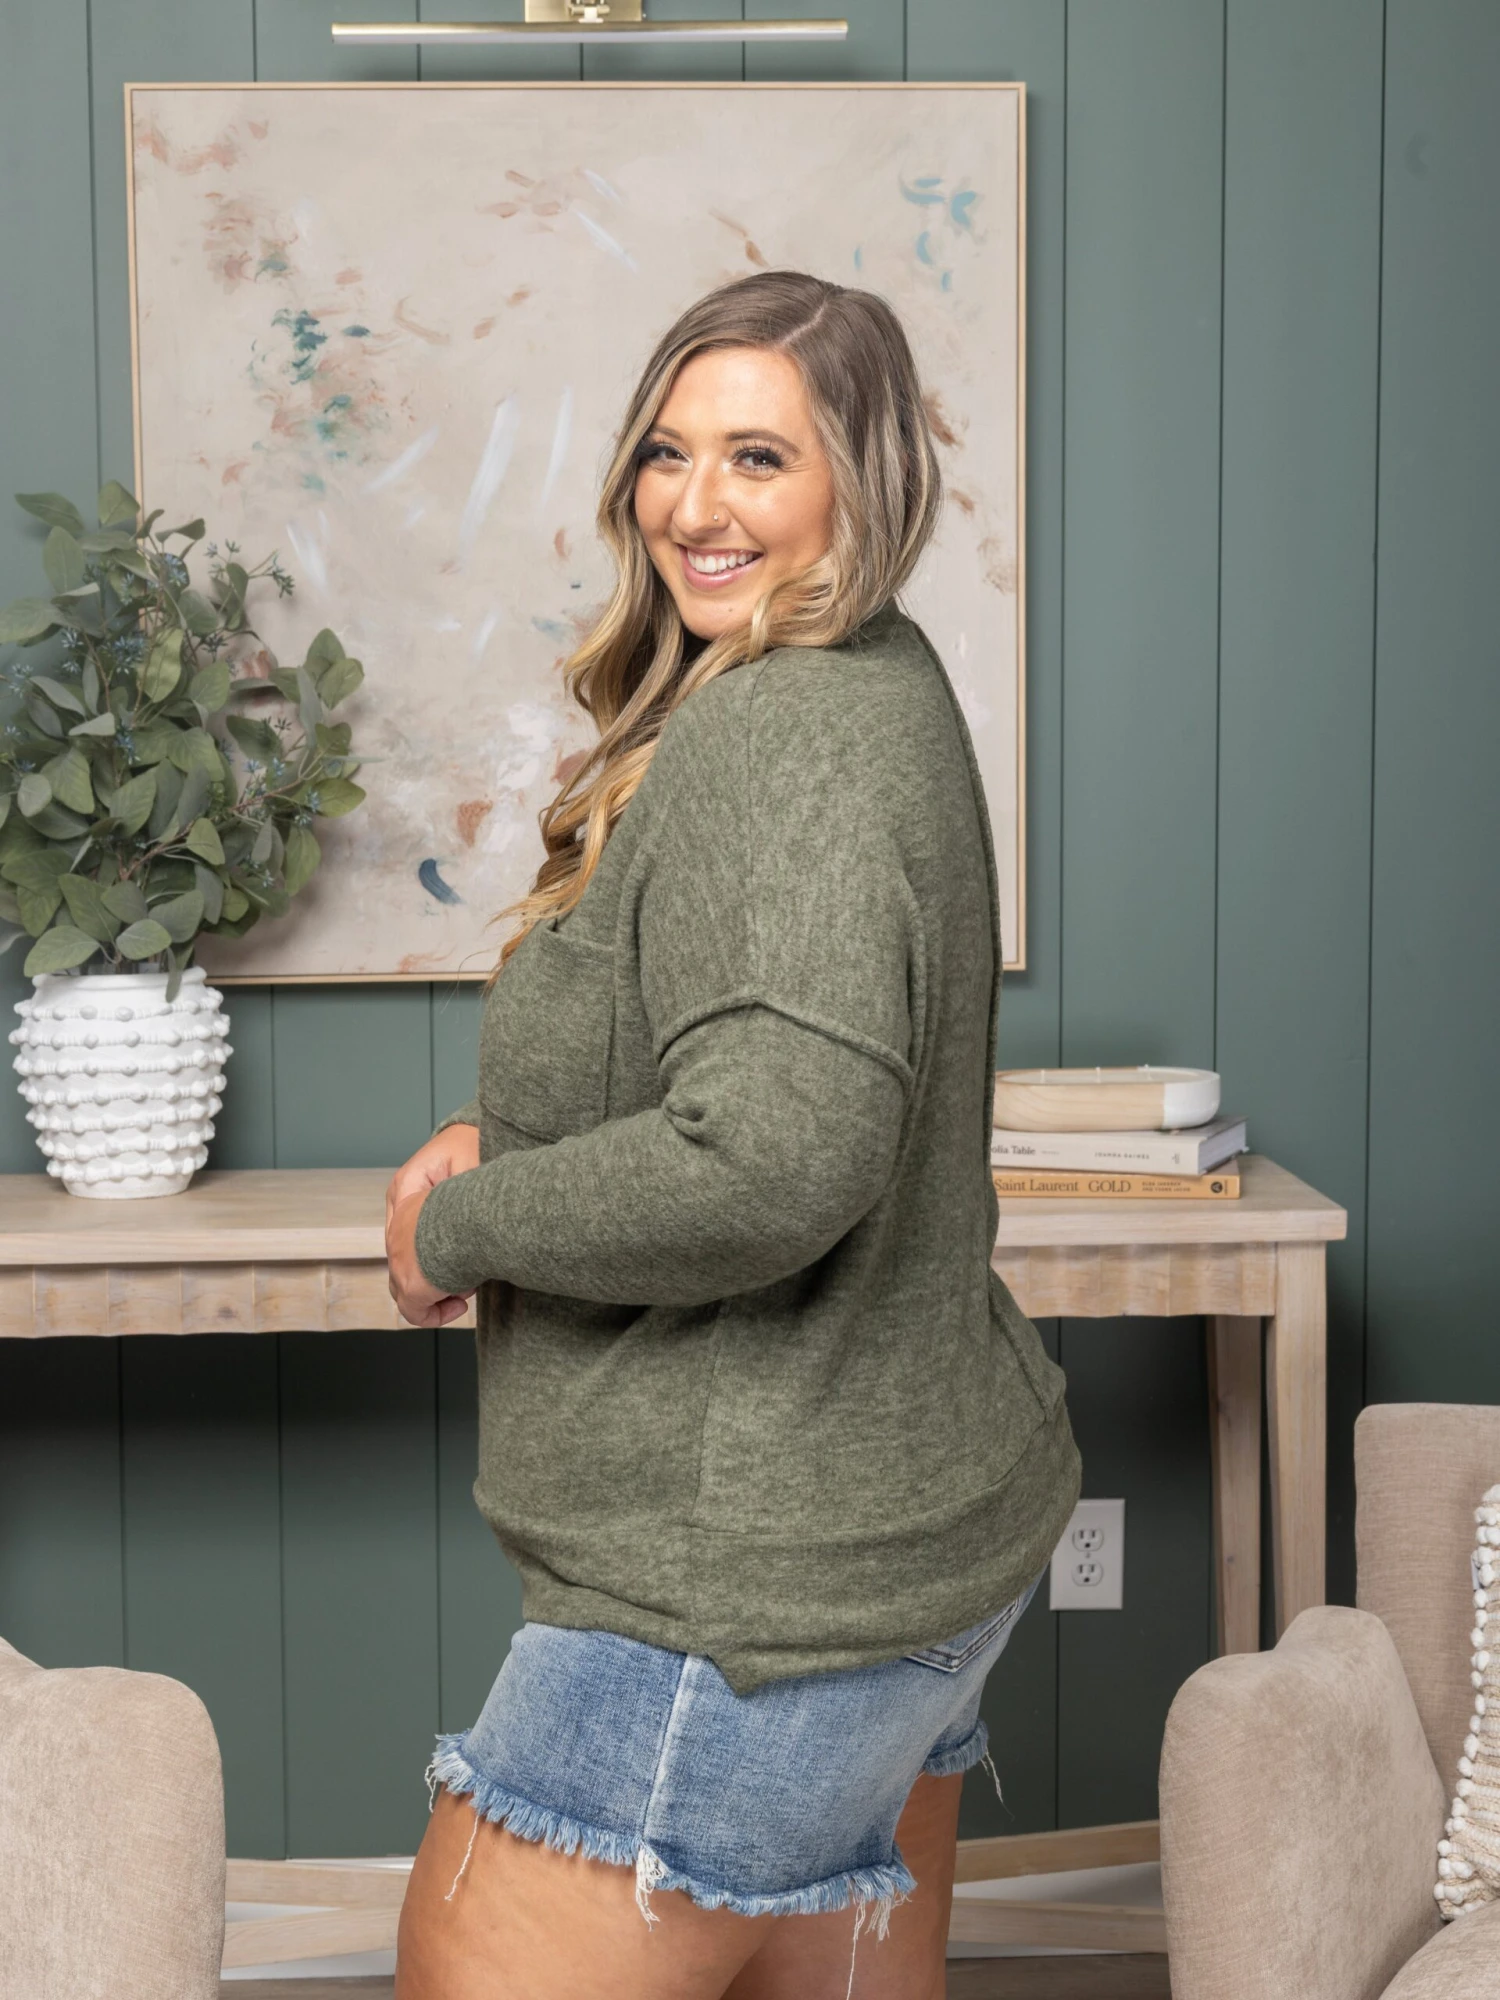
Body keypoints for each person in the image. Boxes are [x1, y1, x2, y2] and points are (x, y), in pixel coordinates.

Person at [384, 269, 1082, 2000]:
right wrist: (509, 1130)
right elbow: (757, 1039)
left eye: (759, 458)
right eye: (669, 452)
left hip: (747, 1599)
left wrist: (460, 1229)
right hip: (906, 1535)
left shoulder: (780, 734)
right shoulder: (869, 676)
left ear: (862, 482)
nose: (696, 505)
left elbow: (773, 1157)